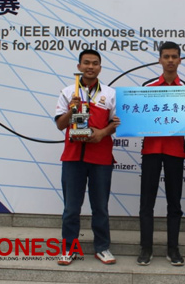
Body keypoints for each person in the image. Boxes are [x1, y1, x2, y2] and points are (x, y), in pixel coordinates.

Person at [55, 49, 120, 266]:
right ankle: (69, 248)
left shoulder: (109, 94)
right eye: (86, 63)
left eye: (95, 63)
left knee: (100, 206)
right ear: (79, 66)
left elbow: (116, 123)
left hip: (101, 158)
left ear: (100, 67)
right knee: (71, 208)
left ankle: (102, 247)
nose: (90, 67)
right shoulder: (67, 92)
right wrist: (72, 111)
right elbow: (60, 125)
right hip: (73, 158)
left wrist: (101, 133)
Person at [137, 41, 185, 266]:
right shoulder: (147, 87)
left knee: (174, 203)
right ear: (159, 60)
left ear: (179, 60)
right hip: (151, 150)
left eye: (174, 56)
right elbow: (137, 118)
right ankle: (146, 248)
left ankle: (173, 249)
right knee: (147, 202)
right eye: (166, 56)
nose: (170, 60)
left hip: (175, 151)